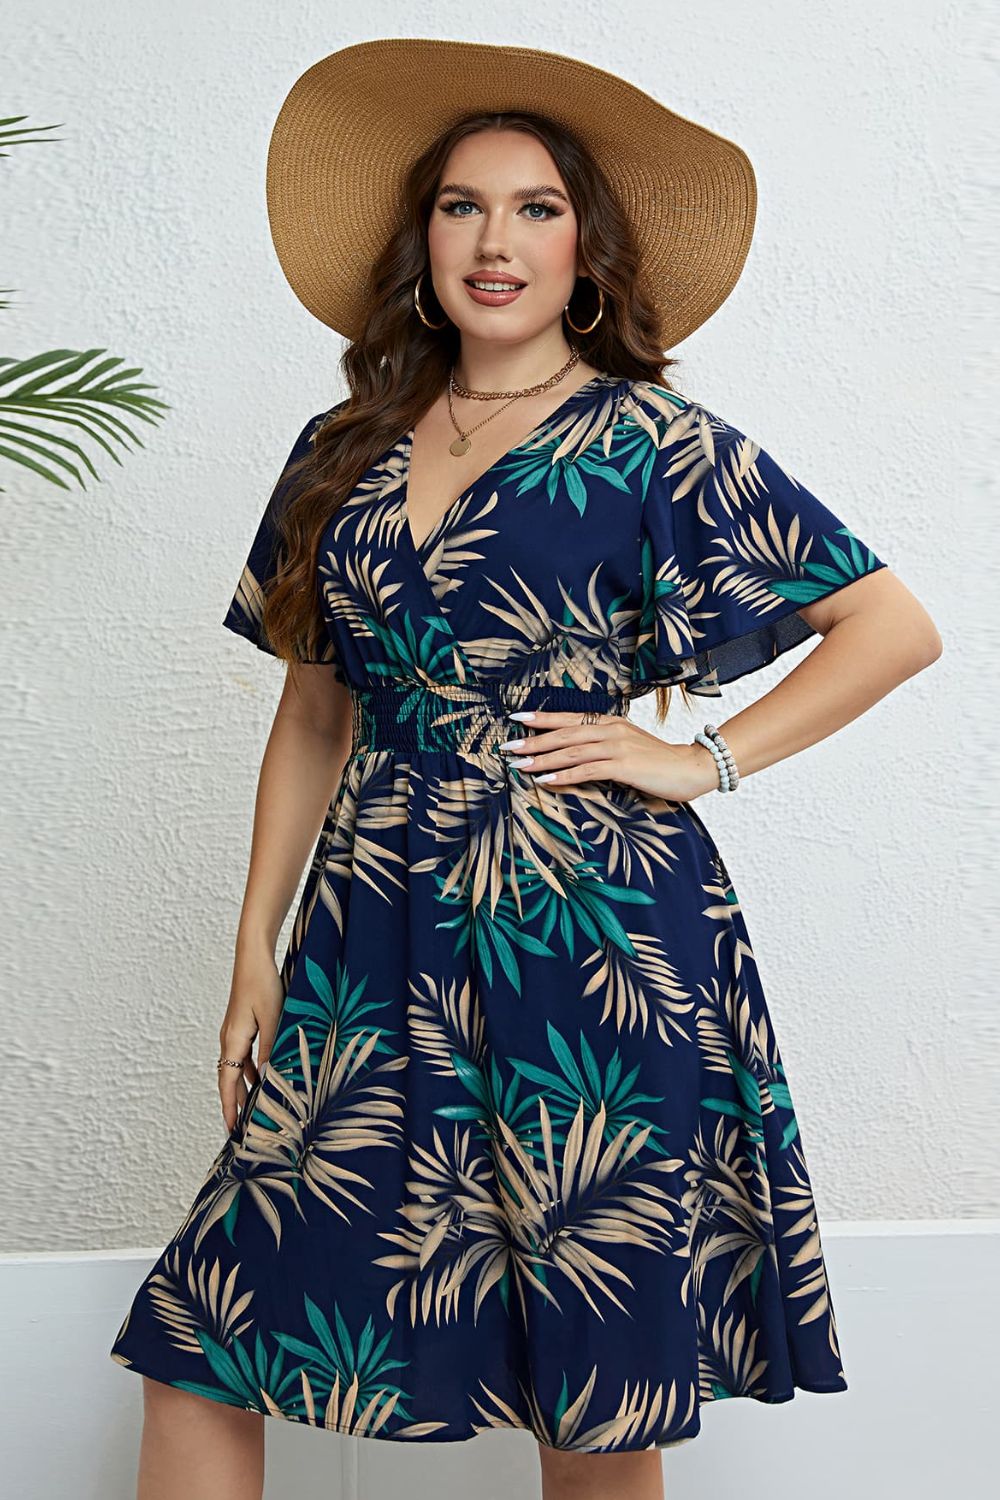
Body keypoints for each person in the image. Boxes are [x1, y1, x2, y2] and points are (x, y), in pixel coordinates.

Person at [108, 36, 941, 1500]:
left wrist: (700, 760)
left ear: (585, 251)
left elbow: (891, 626)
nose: (496, 241)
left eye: (536, 208)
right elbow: (314, 714)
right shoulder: (339, 449)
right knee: (205, 1339)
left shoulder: (657, 443)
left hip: (590, 937)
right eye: (462, 206)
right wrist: (254, 949)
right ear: (422, 241)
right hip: (372, 930)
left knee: (594, 1385)